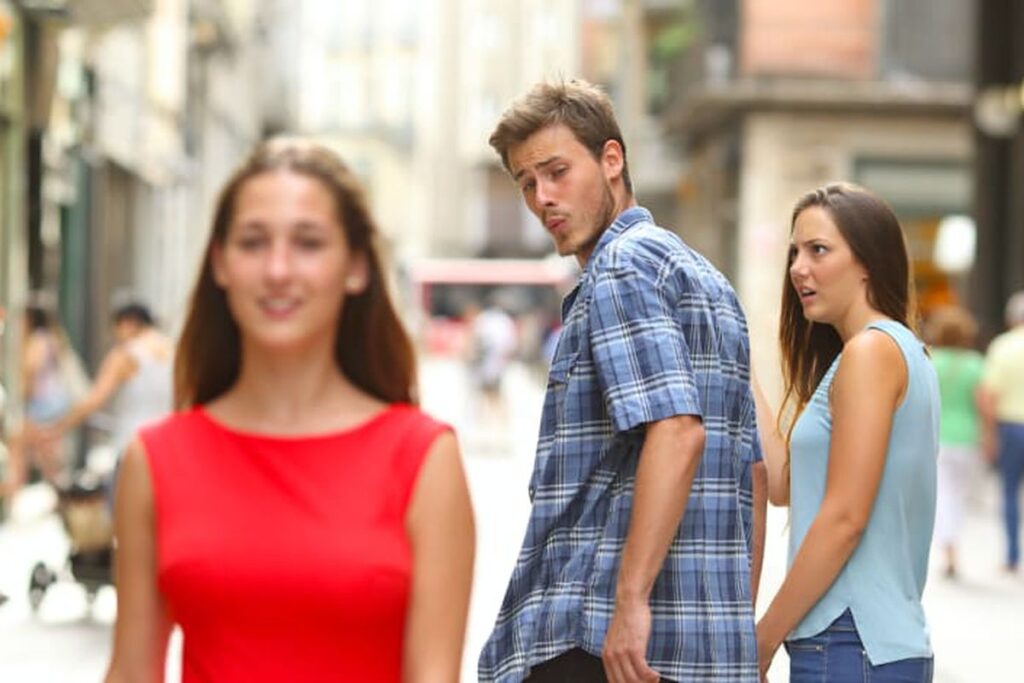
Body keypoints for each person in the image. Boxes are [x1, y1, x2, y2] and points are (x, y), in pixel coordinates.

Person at [103, 138, 475, 682]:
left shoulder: (424, 459)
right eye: (253, 242)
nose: (278, 270)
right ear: (220, 263)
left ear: (356, 266)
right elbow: (131, 672)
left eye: (308, 243)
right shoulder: (155, 459)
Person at [479, 80, 766, 683]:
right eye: (526, 182)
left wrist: (631, 601)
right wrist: (736, 626)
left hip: (604, 641)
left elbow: (678, 431)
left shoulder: (621, 266)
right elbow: (753, 471)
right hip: (702, 648)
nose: (543, 197)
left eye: (557, 171)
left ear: (612, 159)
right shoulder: (707, 280)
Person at [753, 184, 939, 682]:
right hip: (864, 645)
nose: (798, 268)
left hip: (850, 642)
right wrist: (738, 364)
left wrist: (762, 639)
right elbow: (784, 486)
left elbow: (844, 519)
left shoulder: (871, 353)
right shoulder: (891, 352)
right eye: (795, 252)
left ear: (867, 262)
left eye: (818, 250)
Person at [47, 302, 173, 458]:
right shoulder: (173, 351)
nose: (116, 337)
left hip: (134, 443)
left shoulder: (125, 354)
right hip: (168, 445)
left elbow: (94, 401)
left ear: (128, 323)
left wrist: (58, 427)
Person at [924, 305, 986, 578]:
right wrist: (989, 436)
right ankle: (952, 545)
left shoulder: (930, 361)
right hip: (967, 437)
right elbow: (983, 403)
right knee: (958, 494)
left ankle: (948, 548)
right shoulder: (974, 363)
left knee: (943, 493)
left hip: (937, 436)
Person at [978, 290, 1024, 574]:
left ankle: (1012, 556)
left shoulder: (1002, 346)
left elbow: (989, 394)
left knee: (1009, 492)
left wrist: (989, 433)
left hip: (1010, 427)